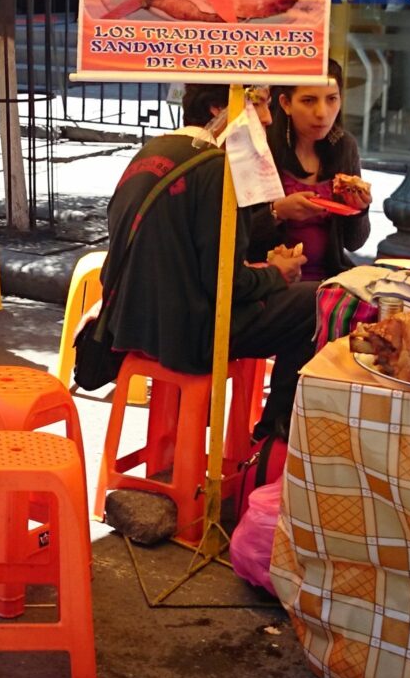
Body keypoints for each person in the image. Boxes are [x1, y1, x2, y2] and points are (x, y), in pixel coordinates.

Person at [101, 83, 319, 440]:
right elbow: (226, 284)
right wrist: (278, 274)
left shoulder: (153, 149)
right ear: (220, 109)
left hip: (130, 323)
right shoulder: (217, 167)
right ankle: (271, 437)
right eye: (258, 105)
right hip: (186, 336)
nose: (267, 119)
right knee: (316, 301)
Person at [246, 60, 372, 282]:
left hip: (331, 279)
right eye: (308, 100)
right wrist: (277, 212)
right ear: (286, 103)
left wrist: (359, 210)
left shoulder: (344, 146)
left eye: (331, 99)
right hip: (270, 282)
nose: (322, 113)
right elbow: (235, 238)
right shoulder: (262, 148)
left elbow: (355, 243)